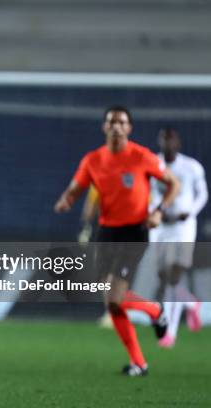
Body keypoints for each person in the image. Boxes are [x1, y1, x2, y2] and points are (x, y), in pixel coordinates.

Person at [54, 106, 180, 376]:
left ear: (129, 128)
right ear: (104, 127)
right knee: (111, 301)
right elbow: (77, 187)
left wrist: (158, 211)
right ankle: (140, 361)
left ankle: (155, 312)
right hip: (107, 232)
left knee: (114, 297)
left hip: (134, 231)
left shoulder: (141, 156)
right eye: (111, 122)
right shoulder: (93, 160)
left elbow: (174, 184)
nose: (116, 126)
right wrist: (67, 199)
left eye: (121, 122)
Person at [149, 128, 208, 348]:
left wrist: (190, 212)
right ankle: (191, 303)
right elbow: (145, 191)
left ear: (178, 143)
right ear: (159, 142)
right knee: (163, 277)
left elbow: (202, 194)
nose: (167, 144)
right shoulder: (152, 164)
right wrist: (152, 211)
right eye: (164, 139)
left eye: (171, 140)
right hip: (160, 227)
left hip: (183, 227)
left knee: (175, 275)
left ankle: (169, 332)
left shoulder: (191, 167)